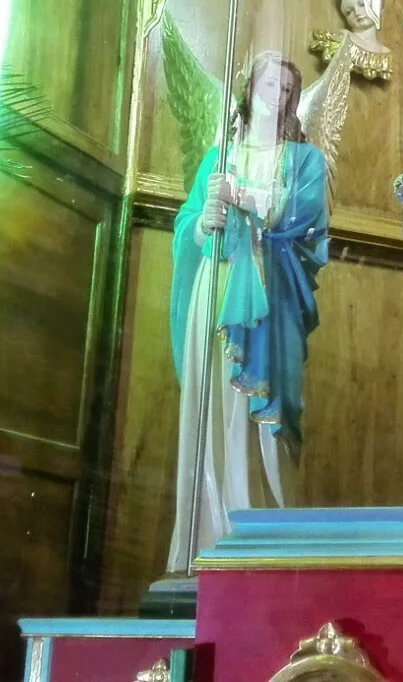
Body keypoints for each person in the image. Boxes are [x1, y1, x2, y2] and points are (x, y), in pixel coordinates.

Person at [167, 51, 328, 565]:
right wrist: (204, 223)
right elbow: (187, 225)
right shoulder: (218, 158)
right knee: (212, 404)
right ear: (248, 89)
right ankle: (205, 538)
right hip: (215, 291)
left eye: (286, 89)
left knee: (260, 416)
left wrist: (244, 197)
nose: (275, 96)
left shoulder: (304, 160)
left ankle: (260, 541)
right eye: (267, 84)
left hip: (268, 297)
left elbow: (304, 219)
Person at [299, 0, 392, 174]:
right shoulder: (341, 42)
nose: (357, 13)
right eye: (349, 12)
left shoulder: (386, 54)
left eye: (362, 4)